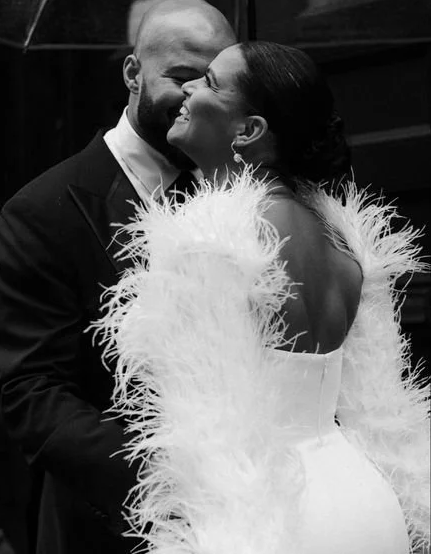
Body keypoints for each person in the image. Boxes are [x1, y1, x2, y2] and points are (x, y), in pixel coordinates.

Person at [94, 42, 430, 553]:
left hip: (272, 513)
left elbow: (204, 432)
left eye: (209, 82)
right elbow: (375, 397)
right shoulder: (342, 237)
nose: (187, 90)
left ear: (249, 130)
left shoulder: (209, 239)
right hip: (365, 501)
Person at [0, 0, 236, 554]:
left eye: (214, 82)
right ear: (132, 73)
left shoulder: (239, 192)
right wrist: (167, 485)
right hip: (107, 524)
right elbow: (31, 391)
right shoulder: (41, 210)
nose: (198, 97)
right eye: (182, 77)